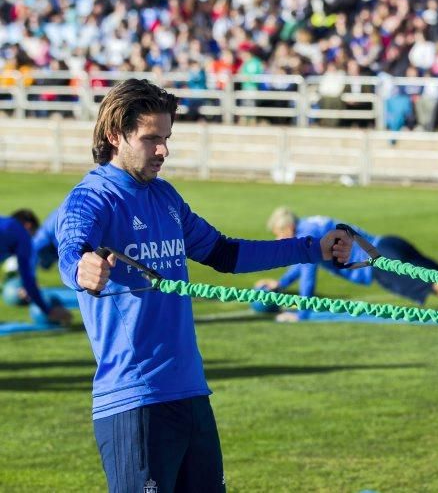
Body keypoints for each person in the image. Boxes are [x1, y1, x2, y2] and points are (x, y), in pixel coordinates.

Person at [55, 79, 353, 493]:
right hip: (135, 401)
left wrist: (312, 248)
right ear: (114, 136)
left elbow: (225, 254)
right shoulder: (91, 198)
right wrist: (81, 269)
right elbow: (72, 247)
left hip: (191, 394)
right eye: (151, 139)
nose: (163, 150)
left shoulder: (165, 197)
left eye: (167, 138)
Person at [254, 207, 438, 322]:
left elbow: (308, 275)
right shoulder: (311, 224)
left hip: (379, 263)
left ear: (287, 227)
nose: (279, 239)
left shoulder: (304, 237)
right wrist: (281, 283)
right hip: (388, 243)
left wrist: (302, 313)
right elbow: (302, 266)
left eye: (278, 234)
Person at [0, 209, 72, 325]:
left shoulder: (8, 227)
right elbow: (28, 279)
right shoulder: (22, 235)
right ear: (28, 226)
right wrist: (48, 310)